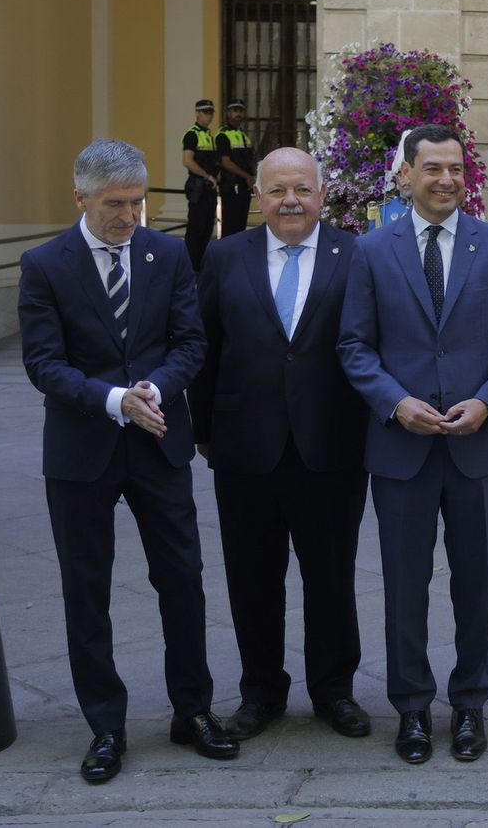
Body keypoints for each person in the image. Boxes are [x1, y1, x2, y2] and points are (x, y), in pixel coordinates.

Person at [18, 138, 235, 783]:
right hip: (82, 450)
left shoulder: (167, 255)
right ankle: (105, 726)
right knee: (87, 588)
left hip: (159, 439)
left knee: (183, 578)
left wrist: (153, 390)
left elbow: (190, 342)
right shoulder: (44, 265)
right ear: (80, 198)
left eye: (137, 202)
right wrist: (116, 399)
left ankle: (192, 710)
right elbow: (44, 364)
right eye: (114, 204)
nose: (128, 216)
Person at [338, 124, 488, 765]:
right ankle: (413, 708)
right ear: (406, 176)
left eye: (455, 169)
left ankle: (470, 704)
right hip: (402, 449)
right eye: (432, 169)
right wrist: (395, 403)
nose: (446, 180)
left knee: (475, 584)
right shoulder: (372, 250)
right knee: (404, 585)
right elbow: (354, 346)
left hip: (478, 449)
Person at [191, 147, 372, 742]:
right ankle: (261, 692)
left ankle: (334, 691)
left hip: (332, 446)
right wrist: (205, 432)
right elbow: (204, 348)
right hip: (245, 449)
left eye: (301, 189)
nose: (290, 201)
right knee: (251, 578)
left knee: (331, 576)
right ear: (258, 195)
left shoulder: (357, 254)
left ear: (322, 193)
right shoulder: (224, 256)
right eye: (277, 190)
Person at [183, 99, 221, 269]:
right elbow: (187, 161)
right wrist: (207, 176)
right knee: (196, 229)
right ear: (197, 113)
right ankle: (189, 268)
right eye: (205, 112)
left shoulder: (209, 136)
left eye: (211, 112)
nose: (209, 116)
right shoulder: (192, 134)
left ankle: (200, 267)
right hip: (198, 187)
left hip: (209, 189)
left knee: (206, 229)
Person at [216, 100, 256, 236]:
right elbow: (225, 162)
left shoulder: (244, 136)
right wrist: (247, 176)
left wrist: (252, 177)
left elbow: (249, 160)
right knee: (230, 225)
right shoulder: (223, 135)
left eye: (240, 111)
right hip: (231, 186)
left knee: (241, 225)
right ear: (228, 113)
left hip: (244, 187)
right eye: (234, 111)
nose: (238, 114)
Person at [368, 128, 415, 231]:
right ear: (396, 180)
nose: (405, 181)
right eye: (400, 174)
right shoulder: (382, 210)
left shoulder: (428, 209)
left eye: (409, 174)